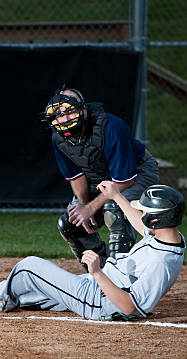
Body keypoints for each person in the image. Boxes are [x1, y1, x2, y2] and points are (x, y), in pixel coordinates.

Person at [0, 182, 186, 321]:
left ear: (157, 218)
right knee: (41, 291)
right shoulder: (168, 236)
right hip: (100, 289)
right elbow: (144, 226)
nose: (141, 212)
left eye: (145, 210)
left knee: (29, 267)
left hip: (101, 302)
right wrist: (116, 196)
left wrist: (97, 273)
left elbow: (130, 307)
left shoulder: (161, 263)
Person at [43, 87, 160, 269]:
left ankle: (121, 274)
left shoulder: (110, 126)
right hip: (97, 177)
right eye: (59, 115)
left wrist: (91, 208)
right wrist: (83, 206)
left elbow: (124, 180)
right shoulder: (58, 138)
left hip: (137, 171)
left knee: (114, 210)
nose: (65, 119)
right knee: (70, 222)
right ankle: (101, 271)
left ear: (83, 109)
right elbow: (77, 176)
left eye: (70, 111)